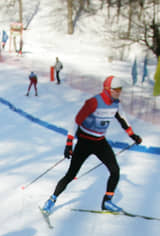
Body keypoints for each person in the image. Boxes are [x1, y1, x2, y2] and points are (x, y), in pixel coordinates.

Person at [41, 76, 142, 214]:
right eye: (116, 89)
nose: (119, 92)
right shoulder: (94, 102)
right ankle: (51, 200)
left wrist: (133, 136)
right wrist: (69, 143)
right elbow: (76, 121)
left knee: (115, 171)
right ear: (108, 89)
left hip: (100, 142)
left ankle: (107, 202)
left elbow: (123, 121)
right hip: (84, 142)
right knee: (71, 174)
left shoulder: (116, 104)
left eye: (120, 89)